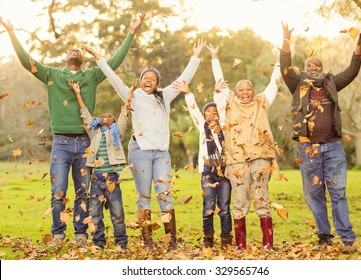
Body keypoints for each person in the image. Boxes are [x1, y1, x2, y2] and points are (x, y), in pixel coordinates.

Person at [0, 13, 145, 247]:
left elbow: (114, 63)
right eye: (70, 50)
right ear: (65, 58)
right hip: (61, 143)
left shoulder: (91, 76)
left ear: (82, 60)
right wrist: (10, 32)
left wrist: (131, 32)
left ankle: (80, 235)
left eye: (78, 50)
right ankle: (58, 235)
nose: (74, 51)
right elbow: (27, 61)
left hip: (86, 144)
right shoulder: (52, 74)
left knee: (81, 192)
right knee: (58, 190)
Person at [91, 39, 206, 250]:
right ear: (141, 80)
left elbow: (183, 79)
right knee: (144, 198)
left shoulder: (165, 96)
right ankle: (148, 242)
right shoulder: (132, 96)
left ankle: (171, 241)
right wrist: (99, 59)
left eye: (153, 78)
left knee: (165, 195)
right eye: (146, 77)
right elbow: (114, 78)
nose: (149, 80)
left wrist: (196, 56)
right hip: (140, 152)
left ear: (157, 83)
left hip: (161, 154)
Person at [279, 22, 361, 254]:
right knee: (314, 194)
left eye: (318, 65)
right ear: (304, 69)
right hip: (307, 150)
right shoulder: (297, 84)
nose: (314, 67)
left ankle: (347, 240)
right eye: (310, 65)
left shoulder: (331, 84)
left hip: (333, 149)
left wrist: (357, 47)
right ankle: (324, 236)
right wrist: (286, 43)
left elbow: (352, 71)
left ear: (323, 69)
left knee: (338, 193)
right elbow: (285, 67)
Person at [211, 44, 281, 250]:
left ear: (253, 90)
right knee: (240, 202)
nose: (244, 92)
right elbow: (221, 84)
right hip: (237, 160)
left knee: (262, 199)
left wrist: (278, 62)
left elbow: (273, 84)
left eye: (248, 89)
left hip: (260, 157)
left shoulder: (262, 102)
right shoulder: (229, 102)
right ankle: (241, 245)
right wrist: (214, 57)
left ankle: (268, 244)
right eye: (240, 89)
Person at [68, 68, 135, 250]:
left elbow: (124, 114)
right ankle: (99, 243)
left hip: (112, 178)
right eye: (103, 115)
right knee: (95, 214)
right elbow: (85, 113)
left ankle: (121, 243)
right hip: (96, 179)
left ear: (112, 121)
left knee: (117, 213)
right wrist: (77, 93)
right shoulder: (95, 131)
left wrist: (129, 96)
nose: (105, 116)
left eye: (108, 116)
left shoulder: (117, 133)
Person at [179, 79, 233, 249]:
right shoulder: (203, 128)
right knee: (208, 206)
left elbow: (222, 106)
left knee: (224, 207)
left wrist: (217, 93)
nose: (211, 114)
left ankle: (226, 239)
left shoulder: (224, 126)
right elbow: (194, 110)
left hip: (225, 172)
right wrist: (188, 94)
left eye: (214, 111)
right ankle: (208, 239)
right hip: (208, 171)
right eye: (207, 112)